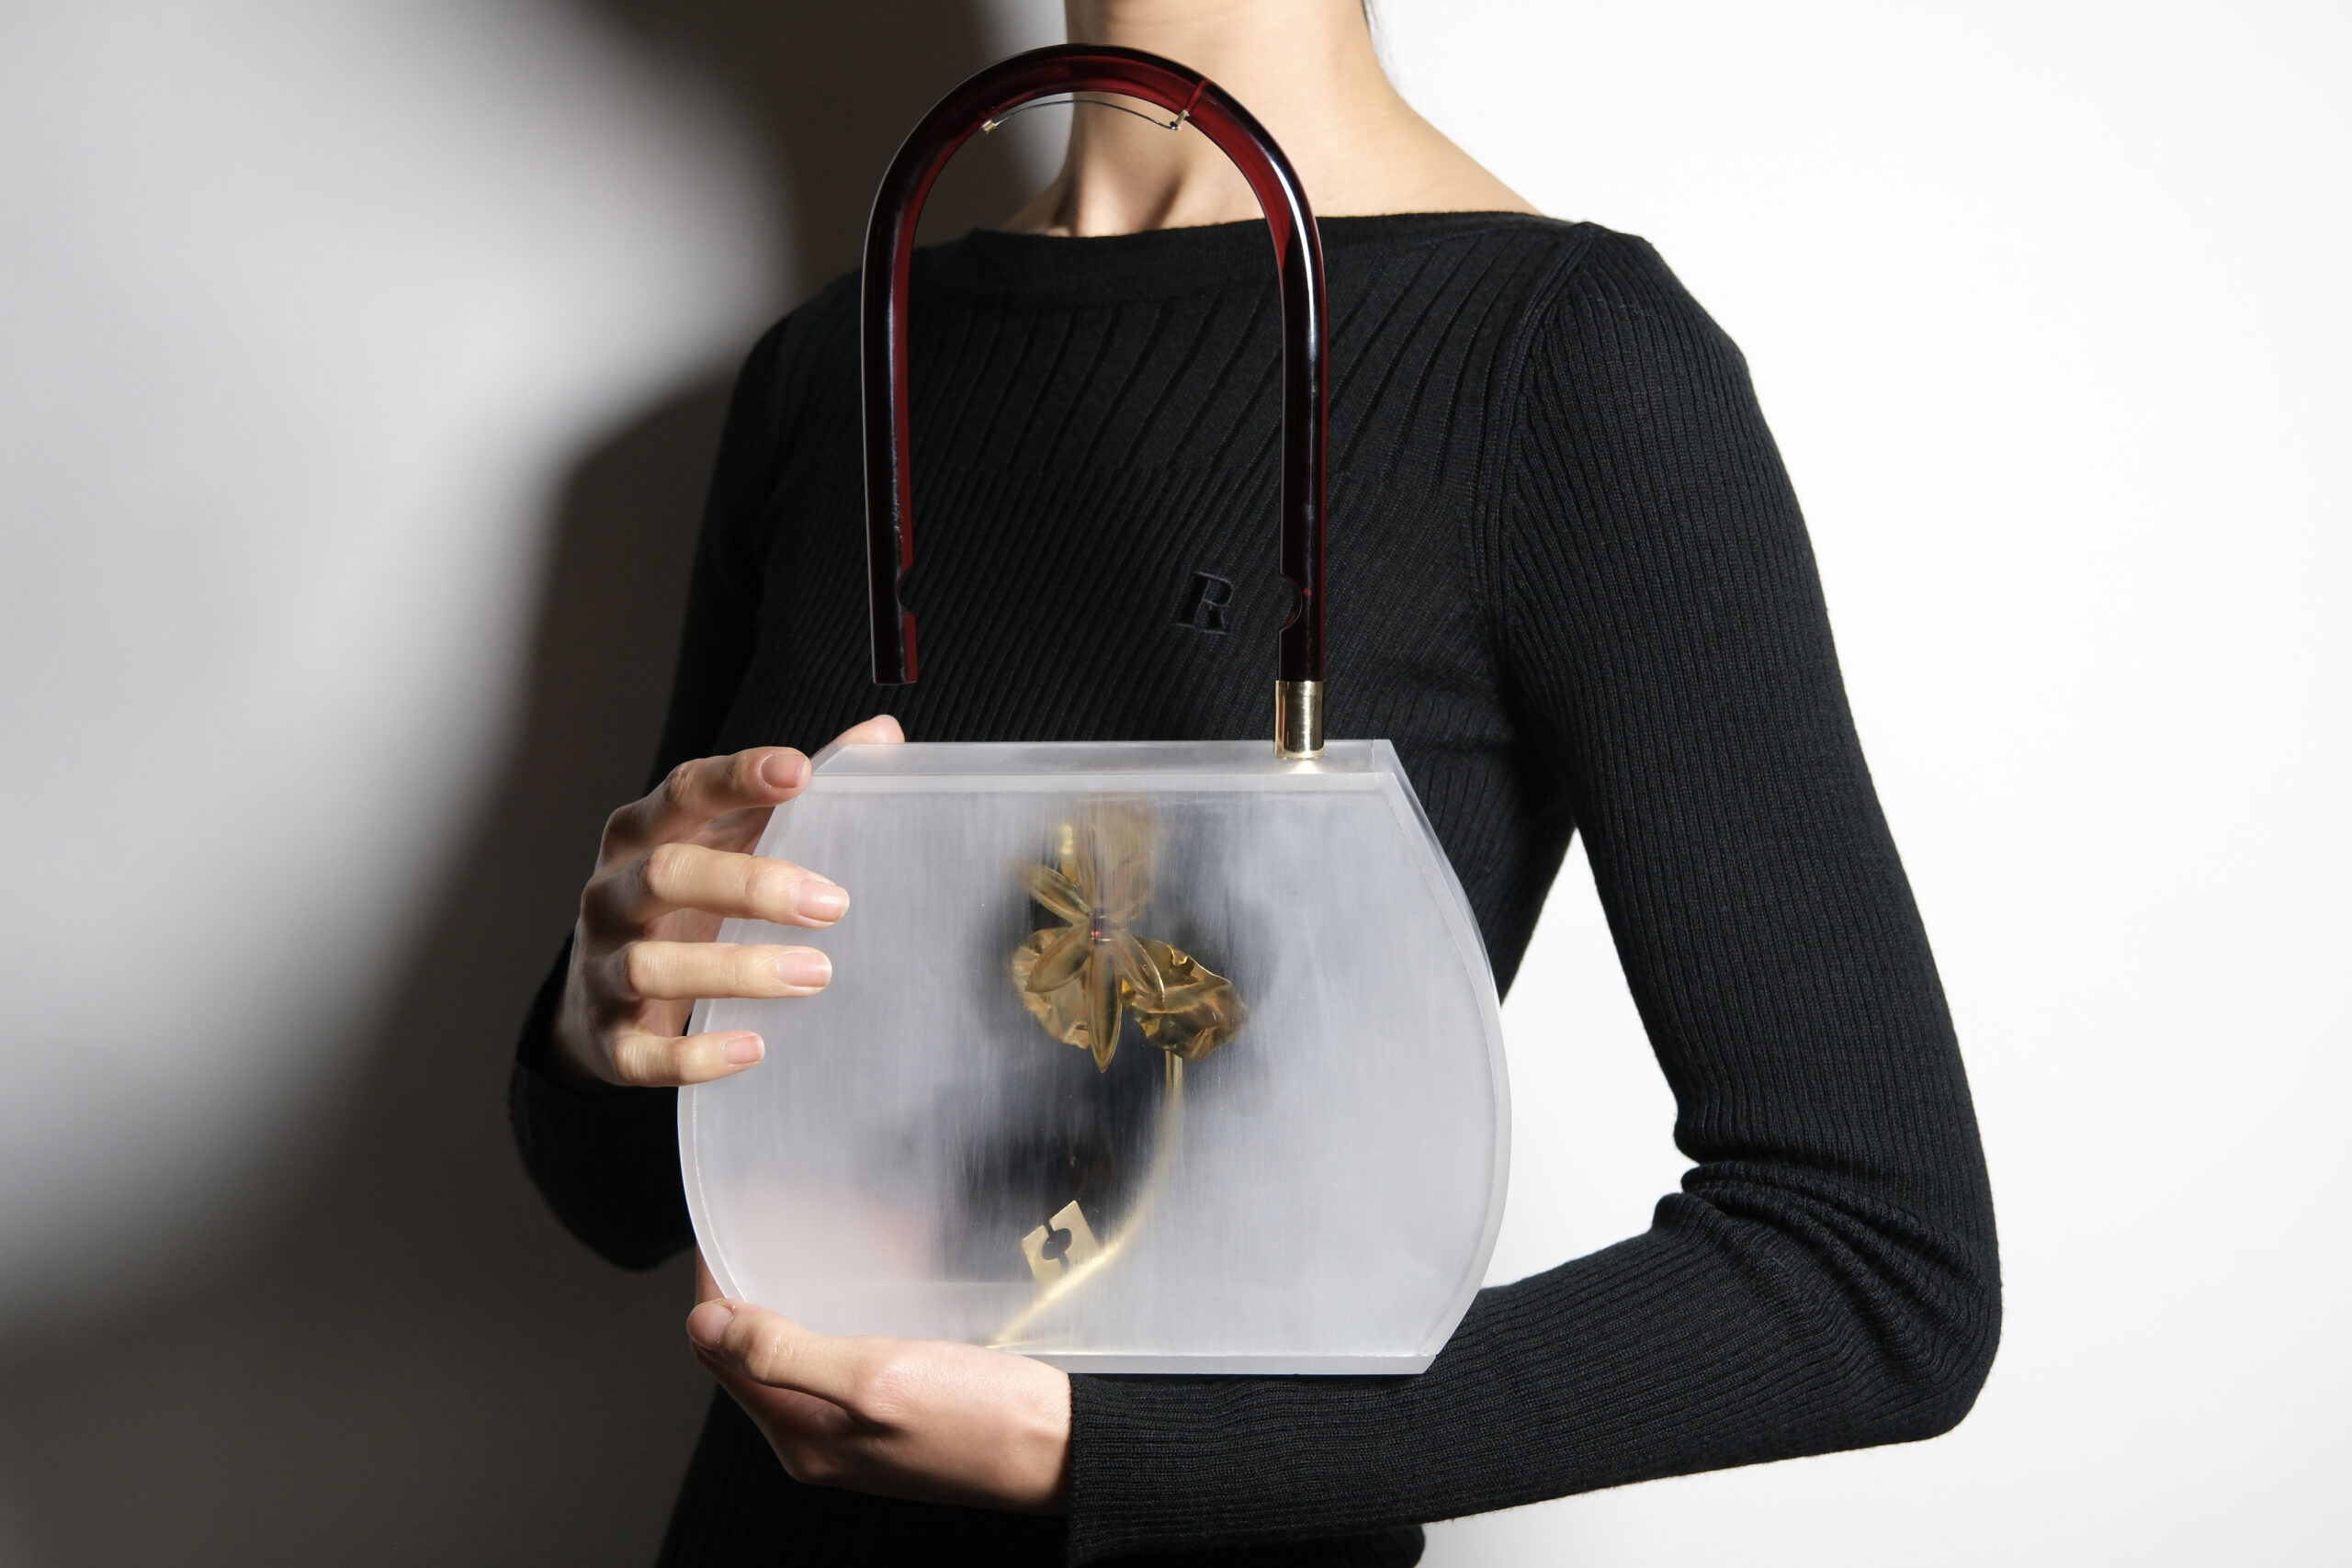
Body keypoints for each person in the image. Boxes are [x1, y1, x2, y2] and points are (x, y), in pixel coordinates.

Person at [508, 2, 2001, 1562]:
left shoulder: (1558, 360)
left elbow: (1878, 1268)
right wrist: (602, 1021)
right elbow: (615, 1198)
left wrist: (1110, 1446)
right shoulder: (831, 369)